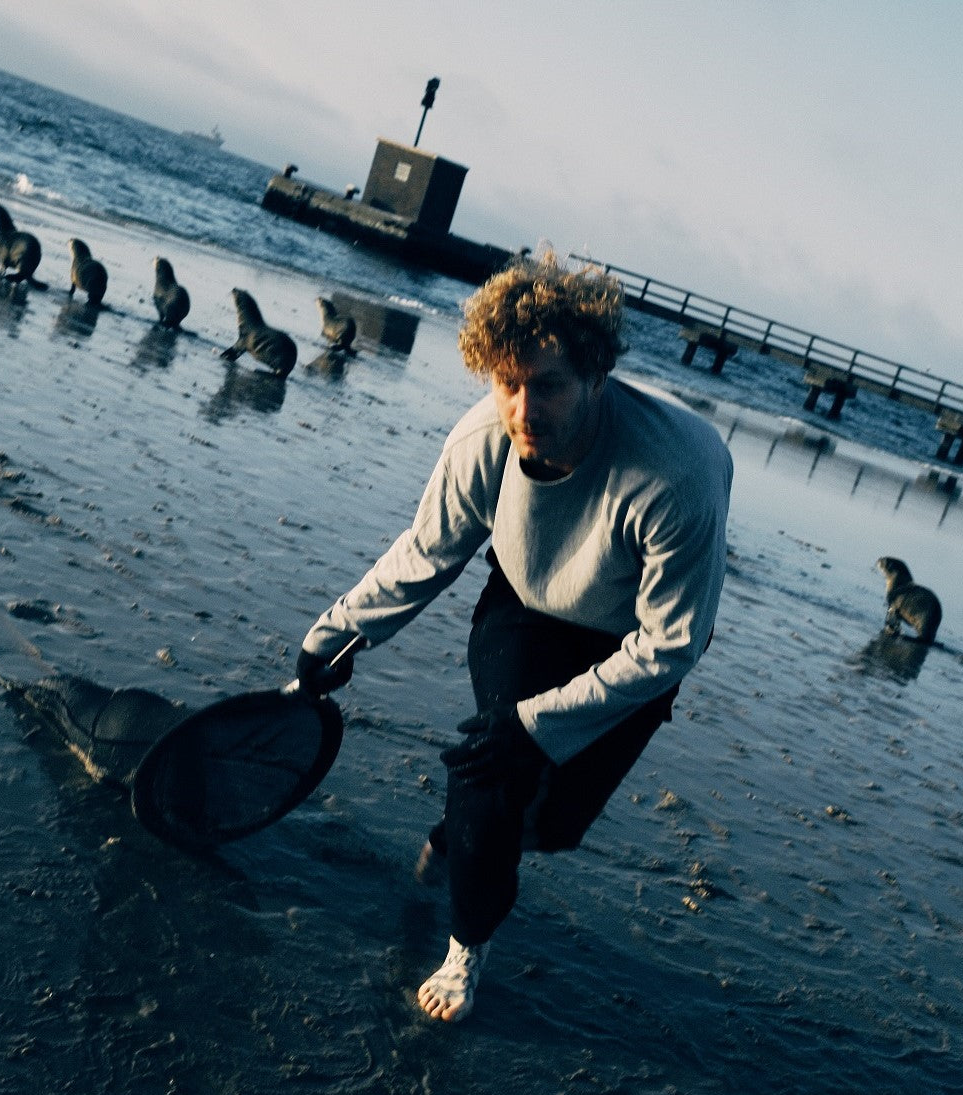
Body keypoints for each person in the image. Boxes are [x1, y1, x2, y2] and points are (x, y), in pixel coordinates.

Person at [296, 251, 733, 1022]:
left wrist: (539, 728)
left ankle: (462, 839)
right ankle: (466, 950)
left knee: (553, 828)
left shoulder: (679, 472)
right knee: (488, 777)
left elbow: (674, 644)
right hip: (525, 608)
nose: (523, 410)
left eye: (549, 384)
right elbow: (429, 551)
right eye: (507, 384)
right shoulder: (482, 441)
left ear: (596, 374)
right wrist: (334, 636)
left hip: (630, 646)